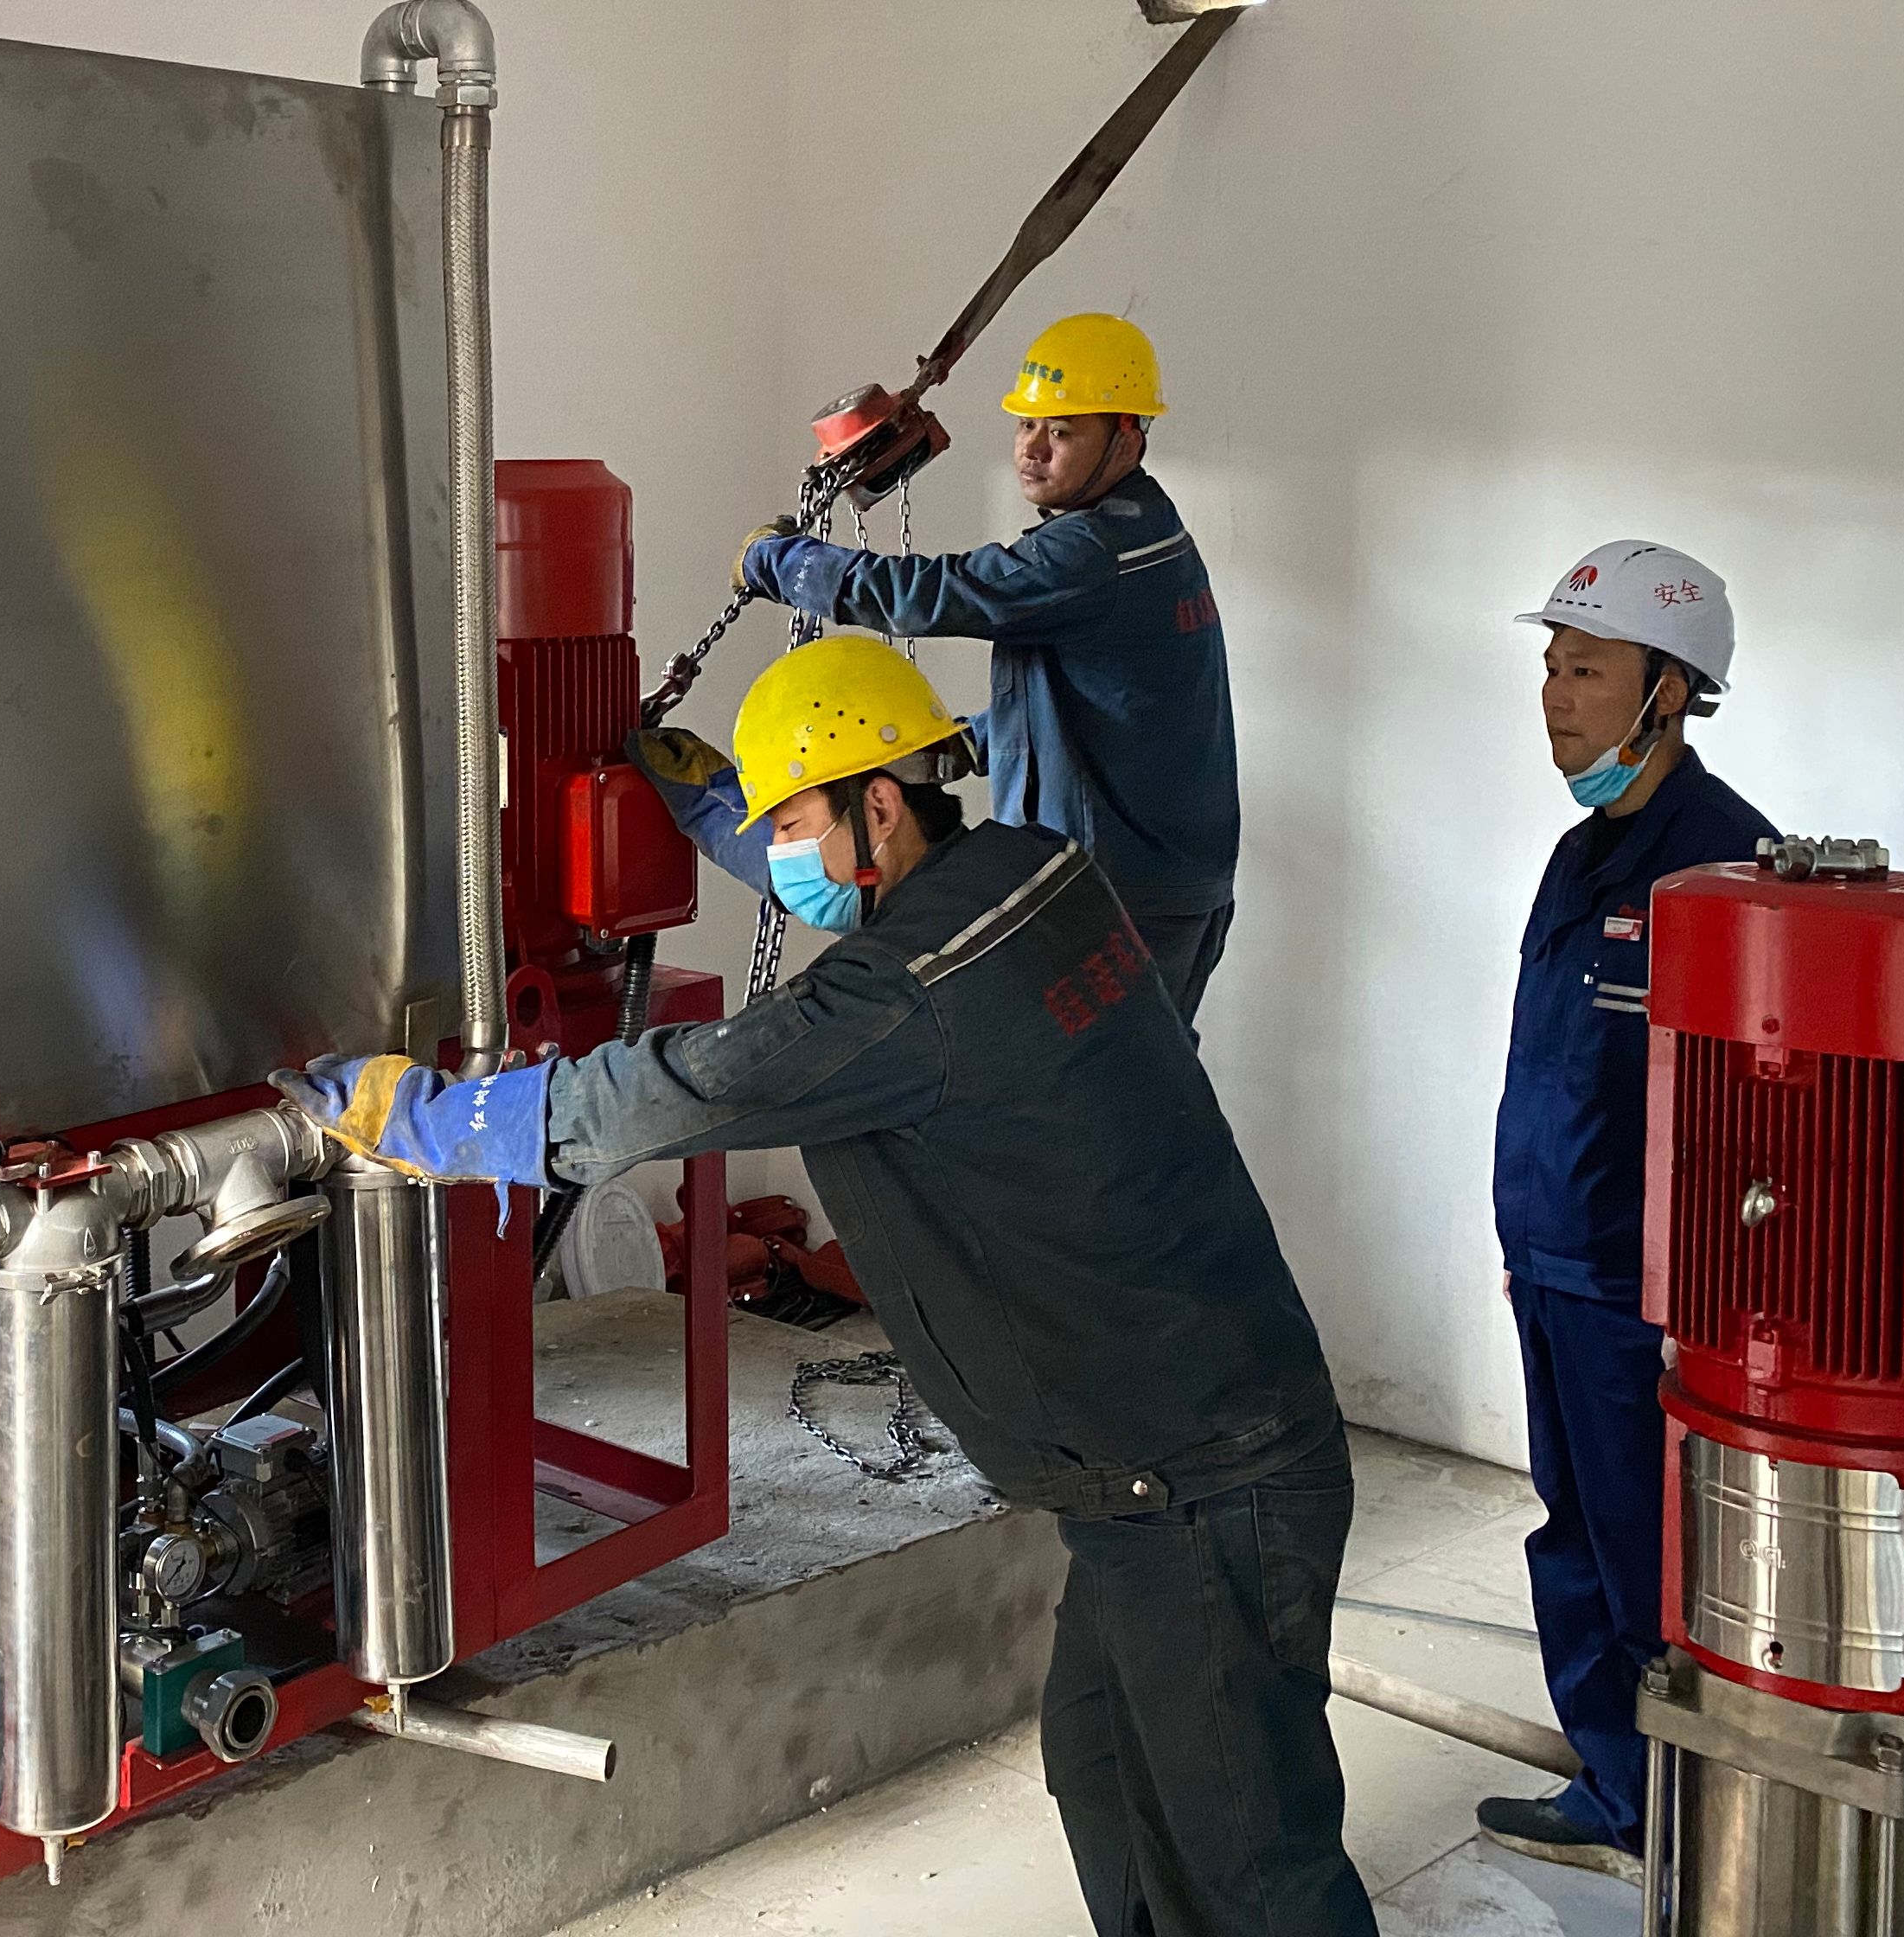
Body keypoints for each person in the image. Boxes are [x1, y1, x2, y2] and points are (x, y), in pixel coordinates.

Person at [283, 636, 1374, 1937]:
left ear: (882, 805)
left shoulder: (900, 999)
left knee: (1249, 1873)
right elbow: (884, 916)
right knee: (1103, 1772)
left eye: (792, 825)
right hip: (1161, 1461)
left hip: (1201, 1480)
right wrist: (720, 814)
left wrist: (441, 1120)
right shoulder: (1032, 873)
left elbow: (686, 1085)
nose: (783, 854)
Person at [1472, 540, 1766, 1884]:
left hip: (1642, 1286)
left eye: (1587, 668)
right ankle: (1619, 1786)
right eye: (1552, 664)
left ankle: (1688, 1810)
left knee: (1654, 1549)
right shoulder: (1580, 854)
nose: (1555, 692)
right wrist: (1525, 1232)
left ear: (1669, 690)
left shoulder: (1726, 869)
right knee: (1577, 1528)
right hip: (1552, 1256)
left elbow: (1749, 1114)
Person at [727, 312, 1238, 1020]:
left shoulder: (1092, 553)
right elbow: (1106, 707)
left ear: (1128, 436)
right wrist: (968, 744)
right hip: (1160, 881)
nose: (1032, 449)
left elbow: (937, 595)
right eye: (1026, 425)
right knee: (1131, 1073)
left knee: (1089, 1078)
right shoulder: (1144, 528)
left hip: (1125, 894)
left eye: (1062, 433)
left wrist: (782, 563)